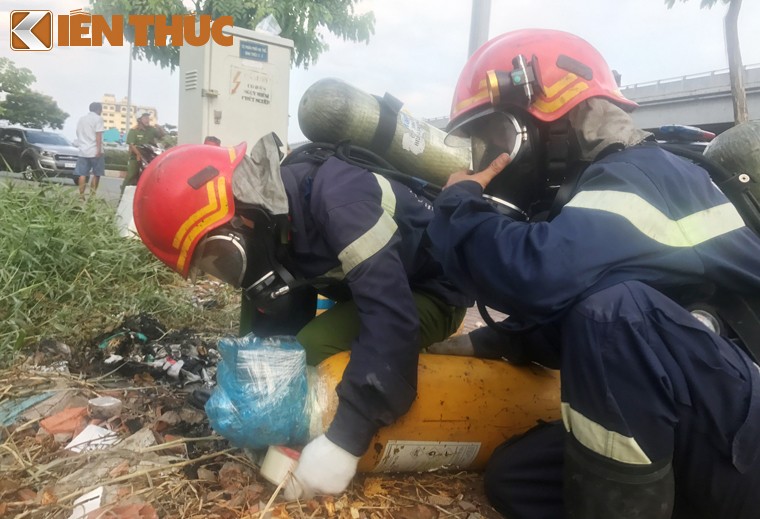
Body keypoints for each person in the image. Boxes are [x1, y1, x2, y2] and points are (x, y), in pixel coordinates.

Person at [425, 29, 760, 519]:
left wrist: (458, 208)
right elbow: (572, 315)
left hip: (747, 437)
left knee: (615, 317)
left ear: (551, 127)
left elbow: (540, 274)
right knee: (516, 478)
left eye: (493, 137)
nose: (488, 156)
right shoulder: (602, 193)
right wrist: (490, 344)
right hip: (709, 423)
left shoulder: (644, 176)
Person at [132, 133, 470, 499]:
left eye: (219, 257)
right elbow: (273, 334)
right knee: (273, 339)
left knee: (310, 348)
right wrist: (256, 401)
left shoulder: (341, 201)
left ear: (242, 217)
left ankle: (325, 435)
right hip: (371, 288)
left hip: (433, 293)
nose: (224, 273)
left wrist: (346, 441)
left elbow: (391, 318)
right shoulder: (274, 215)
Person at [123, 112, 165, 190]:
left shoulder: (151, 129)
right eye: (145, 118)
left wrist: (160, 128)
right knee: (131, 175)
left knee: (148, 177)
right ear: (139, 120)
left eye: (148, 118)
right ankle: (122, 193)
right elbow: (132, 145)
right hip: (136, 157)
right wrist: (138, 155)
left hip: (148, 157)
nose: (147, 120)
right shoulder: (134, 130)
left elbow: (161, 136)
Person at [74, 102, 105, 200]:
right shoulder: (98, 119)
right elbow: (98, 135)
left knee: (82, 174)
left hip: (83, 151)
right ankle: (92, 196)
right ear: (99, 109)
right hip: (94, 150)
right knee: (97, 174)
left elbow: (78, 133)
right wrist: (99, 150)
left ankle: (81, 195)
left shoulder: (81, 119)